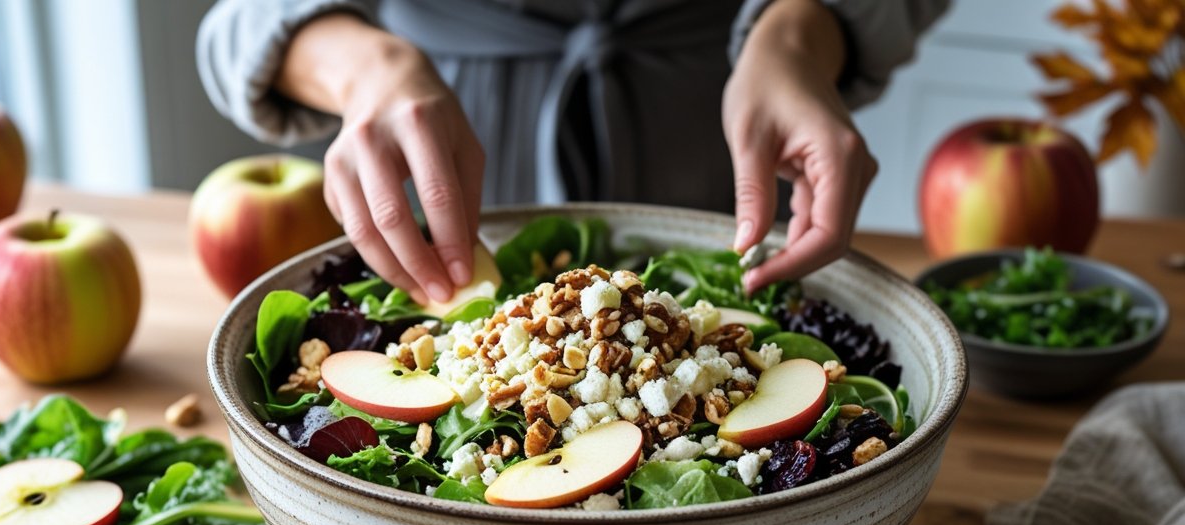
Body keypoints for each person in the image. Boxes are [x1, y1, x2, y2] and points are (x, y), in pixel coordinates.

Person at [197, 0, 947, 305]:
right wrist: (363, 70)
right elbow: (238, 21)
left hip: (717, 110)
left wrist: (796, 36)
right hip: (441, 118)